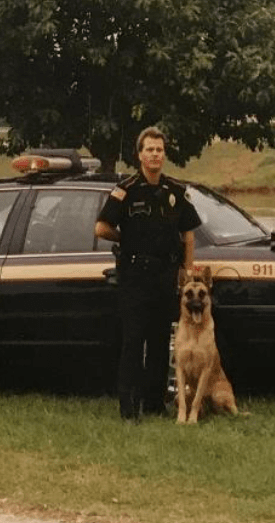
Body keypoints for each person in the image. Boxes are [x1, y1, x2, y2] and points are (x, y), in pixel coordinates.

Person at [95, 126, 202, 420]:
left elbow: (188, 233)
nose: (155, 154)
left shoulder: (175, 191)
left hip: (165, 275)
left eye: (159, 150)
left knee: (159, 341)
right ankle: (129, 407)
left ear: (164, 155)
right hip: (135, 275)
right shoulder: (127, 190)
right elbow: (101, 228)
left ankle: (155, 403)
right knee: (133, 341)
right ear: (140, 155)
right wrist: (126, 239)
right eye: (150, 149)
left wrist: (187, 270)